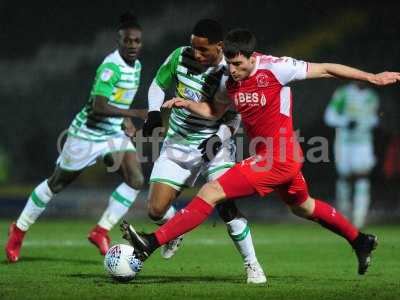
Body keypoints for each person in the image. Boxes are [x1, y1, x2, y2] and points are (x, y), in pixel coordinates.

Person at [121, 29, 400, 277]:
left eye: (239, 64)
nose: (233, 70)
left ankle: (150, 243)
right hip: (274, 157)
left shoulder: (277, 68)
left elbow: (326, 68)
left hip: (277, 157)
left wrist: (372, 77)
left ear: (252, 57)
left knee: (210, 192)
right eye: (229, 64)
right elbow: (214, 111)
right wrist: (187, 104)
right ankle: (360, 240)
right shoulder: (228, 81)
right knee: (304, 207)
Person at [5, 12, 146, 262]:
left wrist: (125, 120)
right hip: (87, 133)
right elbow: (98, 106)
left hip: (112, 133)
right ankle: (19, 229)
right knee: (56, 183)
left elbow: (120, 98)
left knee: (135, 179)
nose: (133, 45)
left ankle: (100, 231)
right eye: (128, 41)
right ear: (119, 41)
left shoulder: (136, 66)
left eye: (137, 41)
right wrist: (134, 113)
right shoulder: (110, 67)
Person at [141, 19, 266, 284]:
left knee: (225, 206)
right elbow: (156, 85)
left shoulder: (230, 71)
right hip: (178, 142)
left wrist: (218, 139)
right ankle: (174, 231)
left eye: (203, 49)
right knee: (155, 209)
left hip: (214, 147)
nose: (196, 54)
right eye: (193, 47)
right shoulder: (179, 56)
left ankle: (253, 265)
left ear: (219, 47)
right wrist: (153, 113)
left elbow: (234, 119)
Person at [324, 82, 379, 228]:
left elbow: (374, 118)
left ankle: (359, 219)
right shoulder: (343, 93)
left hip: (364, 143)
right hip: (345, 143)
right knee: (345, 178)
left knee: (363, 176)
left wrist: (369, 122)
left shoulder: (372, 96)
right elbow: (329, 116)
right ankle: (344, 217)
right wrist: (345, 122)